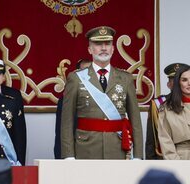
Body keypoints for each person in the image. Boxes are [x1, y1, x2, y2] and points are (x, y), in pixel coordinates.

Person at [60, 26, 143, 159]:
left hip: (117, 149)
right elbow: (66, 121)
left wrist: (138, 155)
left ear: (113, 48)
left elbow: (135, 121)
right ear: (90, 49)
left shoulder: (125, 78)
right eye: (98, 44)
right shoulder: (76, 78)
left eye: (107, 43)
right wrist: (68, 155)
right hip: (86, 149)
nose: (103, 48)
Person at [0, 55, 26, 165]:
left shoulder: (14, 96)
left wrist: (20, 163)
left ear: (4, 76)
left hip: (7, 161)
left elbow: (20, 134)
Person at [54, 59, 91, 159]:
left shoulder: (105, 96)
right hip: (76, 154)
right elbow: (61, 132)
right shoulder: (67, 99)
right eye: (84, 71)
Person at [146, 63, 181, 159]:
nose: (178, 83)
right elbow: (151, 138)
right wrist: (150, 161)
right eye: (174, 80)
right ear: (168, 84)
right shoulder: (158, 104)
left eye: (181, 79)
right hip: (164, 157)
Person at [158, 63, 190, 160]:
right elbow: (166, 141)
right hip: (181, 158)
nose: (189, 83)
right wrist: (177, 166)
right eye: (184, 80)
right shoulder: (167, 108)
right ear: (177, 83)